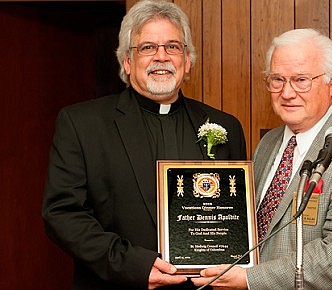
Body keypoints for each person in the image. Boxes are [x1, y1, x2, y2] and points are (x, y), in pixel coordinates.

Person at [41, 0, 247, 289]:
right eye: (148, 47)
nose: (161, 57)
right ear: (127, 61)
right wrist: (131, 265)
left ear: (187, 61)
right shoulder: (82, 123)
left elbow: (235, 218)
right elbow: (62, 215)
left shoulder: (226, 127)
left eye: (173, 47)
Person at [192, 28, 332, 289]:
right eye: (277, 79)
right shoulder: (269, 143)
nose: (287, 93)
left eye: (301, 80)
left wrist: (249, 279)